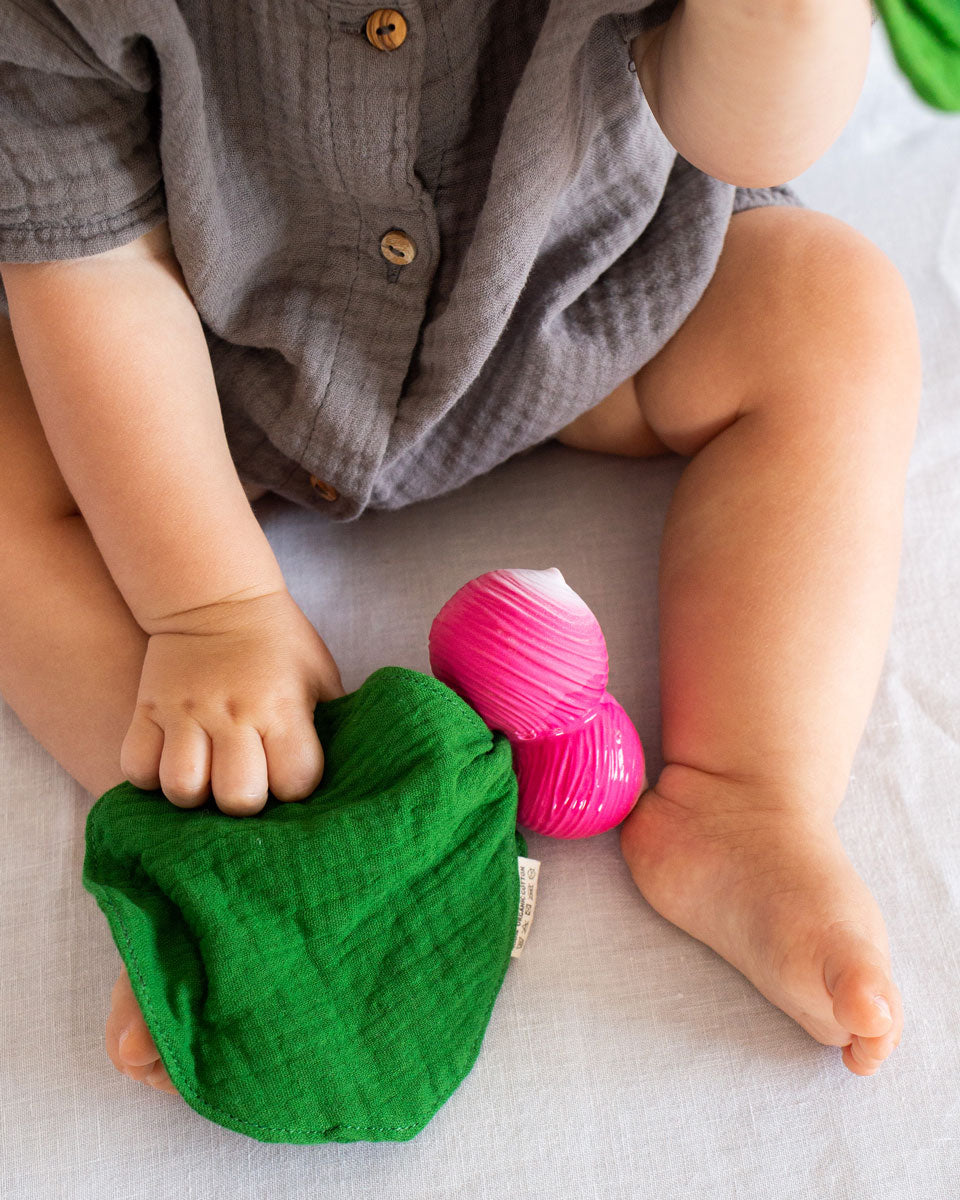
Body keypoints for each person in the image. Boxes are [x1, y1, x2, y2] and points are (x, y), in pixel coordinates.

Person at [0, 0, 918, 1095]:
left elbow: (746, 134)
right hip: (191, 365)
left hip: (571, 297)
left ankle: (747, 797)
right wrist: (210, 605)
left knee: (834, 314)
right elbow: (94, 266)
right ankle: (239, 867)